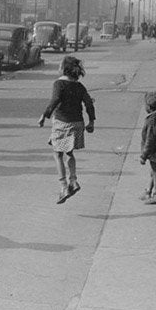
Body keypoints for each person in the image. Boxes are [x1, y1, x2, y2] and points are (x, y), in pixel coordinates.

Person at [38, 55, 95, 204]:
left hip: (63, 123)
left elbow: (55, 100)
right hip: (78, 124)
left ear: (64, 68)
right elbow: (89, 103)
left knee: (57, 154)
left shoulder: (59, 84)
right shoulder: (80, 86)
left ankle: (64, 187)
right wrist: (92, 122)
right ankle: (74, 180)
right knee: (69, 152)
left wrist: (44, 116)